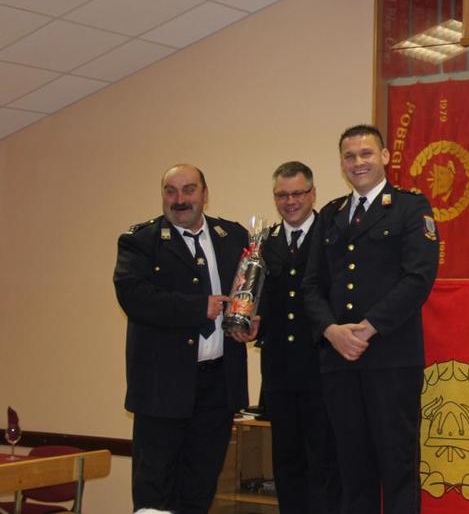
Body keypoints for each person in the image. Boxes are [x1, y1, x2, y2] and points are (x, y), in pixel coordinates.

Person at [303, 124, 439, 514]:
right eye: (349, 156)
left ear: (385, 156)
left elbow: (418, 278)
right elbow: (311, 284)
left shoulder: (411, 207)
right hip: (339, 360)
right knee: (352, 469)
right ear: (341, 163)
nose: (357, 162)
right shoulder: (330, 215)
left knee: (397, 467)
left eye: (366, 153)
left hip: (390, 359)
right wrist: (331, 330)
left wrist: (368, 328)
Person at [113, 164, 257, 513]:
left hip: (217, 387)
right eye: (171, 191)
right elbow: (133, 296)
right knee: (155, 490)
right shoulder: (141, 241)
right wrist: (198, 308)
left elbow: (250, 291)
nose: (180, 199)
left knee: (201, 487)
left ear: (205, 194)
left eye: (189, 190)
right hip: (162, 388)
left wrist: (253, 321)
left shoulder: (233, 236)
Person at [257, 161, 341, 513]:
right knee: (286, 461)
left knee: (324, 461)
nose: (290, 201)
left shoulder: (333, 235)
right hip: (279, 373)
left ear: (312, 194)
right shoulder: (264, 242)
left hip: (321, 369)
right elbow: (260, 300)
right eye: (282, 195)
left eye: (297, 194)